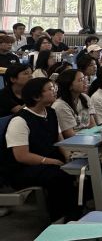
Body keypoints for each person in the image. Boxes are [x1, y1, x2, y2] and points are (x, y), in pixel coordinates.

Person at [1, 77, 82, 221]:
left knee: (80, 167)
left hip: (48, 159)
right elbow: (22, 156)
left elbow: (59, 139)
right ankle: (60, 219)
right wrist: (50, 161)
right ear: (36, 96)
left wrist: (68, 156)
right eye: (50, 89)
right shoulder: (20, 120)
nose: (54, 91)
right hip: (23, 168)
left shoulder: (50, 112)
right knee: (59, 176)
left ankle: (77, 211)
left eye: (54, 88)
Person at [52, 69, 96, 139]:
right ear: (70, 86)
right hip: (74, 142)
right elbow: (69, 135)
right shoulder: (60, 106)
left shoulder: (85, 98)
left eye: (84, 78)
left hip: (89, 138)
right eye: (81, 80)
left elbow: (92, 125)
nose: (85, 82)